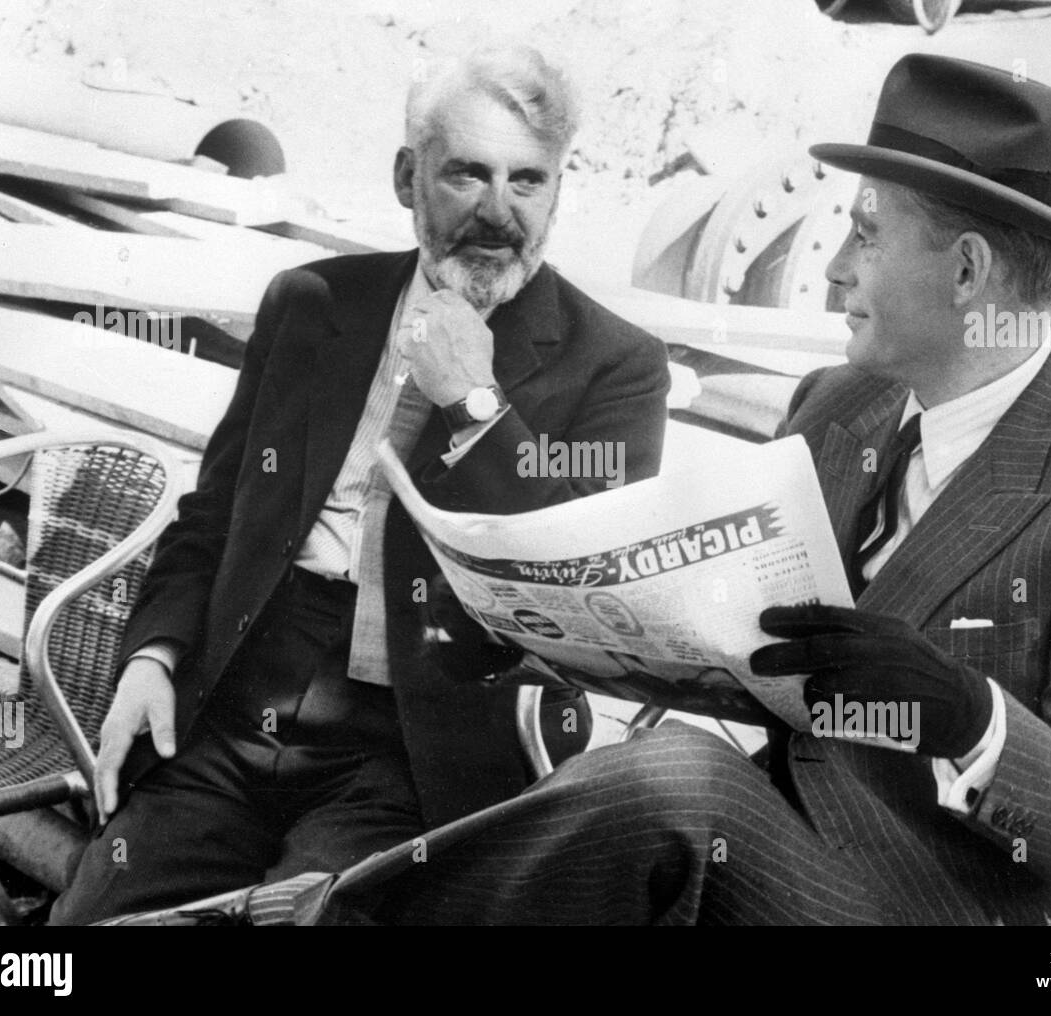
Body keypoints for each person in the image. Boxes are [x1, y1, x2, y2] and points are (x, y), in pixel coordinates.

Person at [271, 53, 1051, 927]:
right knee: (653, 778)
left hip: (941, 901)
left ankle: (315, 918)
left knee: (678, 782)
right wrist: (570, 632)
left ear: (967, 272)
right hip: (774, 849)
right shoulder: (842, 403)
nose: (836, 265)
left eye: (866, 233)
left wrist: (967, 713)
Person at [50, 44, 671, 925]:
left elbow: (583, 587)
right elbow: (215, 511)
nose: (500, 213)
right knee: (91, 922)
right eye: (467, 175)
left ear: (559, 191)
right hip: (237, 702)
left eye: (529, 181)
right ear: (406, 177)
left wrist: (476, 405)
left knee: (310, 920)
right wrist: (153, 658)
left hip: (412, 742)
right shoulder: (313, 303)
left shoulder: (616, 366)